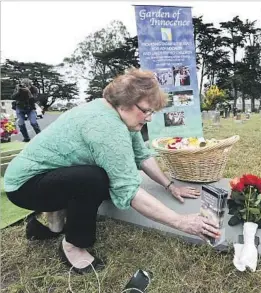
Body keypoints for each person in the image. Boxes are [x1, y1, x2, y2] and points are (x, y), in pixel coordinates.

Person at [4, 69, 221, 275]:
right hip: (25, 186)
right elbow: (128, 189)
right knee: (94, 180)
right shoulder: (106, 126)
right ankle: (73, 245)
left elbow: (141, 155)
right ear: (126, 102)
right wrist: (181, 221)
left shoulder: (115, 112)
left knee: (97, 176)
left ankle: (55, 221)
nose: (149, 118)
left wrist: (170, 185)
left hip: (47, 175)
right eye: (146, 111)